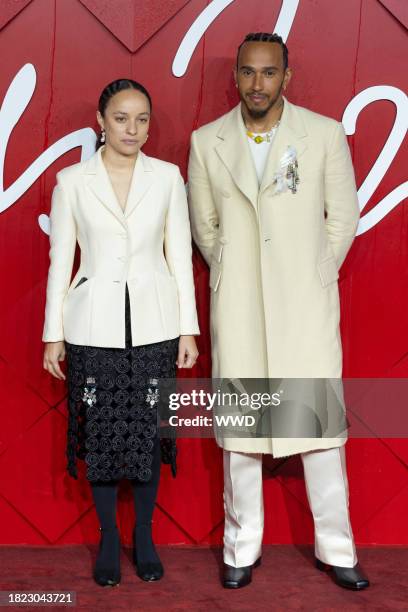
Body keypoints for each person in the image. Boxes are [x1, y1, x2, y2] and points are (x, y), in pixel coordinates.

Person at [188, 33, 370, 590]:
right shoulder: (206, 141)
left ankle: (337, 549)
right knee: (242, 432)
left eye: (269, 73)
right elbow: (205, 225)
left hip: (304, 305)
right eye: (247, 72)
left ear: (286, 78)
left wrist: (316, 273)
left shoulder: (322, 133)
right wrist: (231, 268)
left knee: (317, 427)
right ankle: (241, 548)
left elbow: (342, 218)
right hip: (238, 302)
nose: (257, 83)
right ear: (236, 77)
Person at [43, 79, 199, 587]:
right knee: (103, 435)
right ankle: (110, 537)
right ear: (100, 120)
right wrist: (53, 333)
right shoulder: (71, 181)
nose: (132, 129)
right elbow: (60, 260)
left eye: (142, 119)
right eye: (121, 118)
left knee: (150, 435)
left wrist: (187, 330)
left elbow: (179, 255)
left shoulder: (169, 177)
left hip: (156, 325)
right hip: (92, 326)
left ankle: (145, 537)